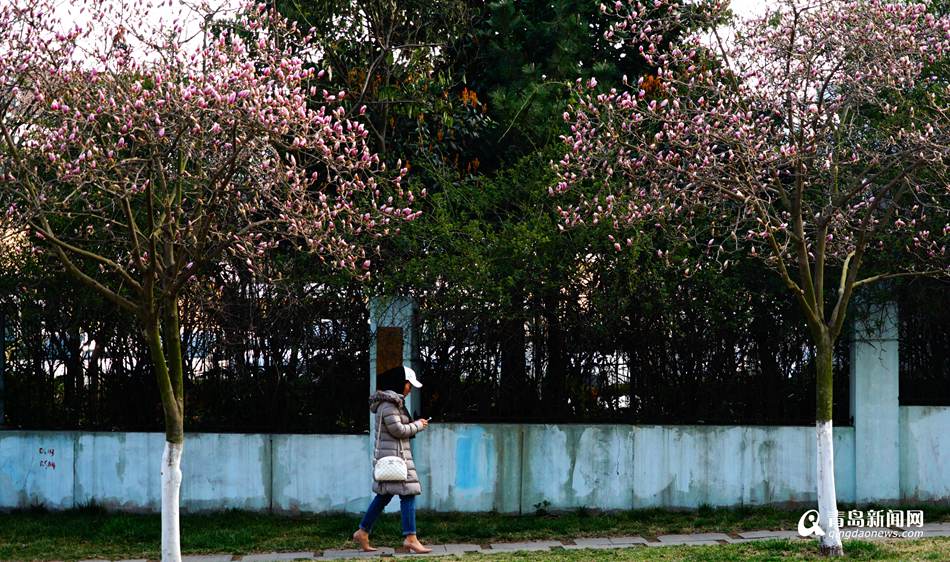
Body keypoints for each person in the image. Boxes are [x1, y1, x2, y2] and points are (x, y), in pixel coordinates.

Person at [352, 365, 432, 554]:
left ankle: (363, 531)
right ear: (400, 383)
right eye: (408, 384)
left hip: (396, 455)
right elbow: (398, 430)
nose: (410, 388)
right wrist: (418, 425)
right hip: (394, 457)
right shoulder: (389, 405)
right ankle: (410, 538)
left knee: (385, 495)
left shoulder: (393, 403)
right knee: (408, 493)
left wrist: (413, 422)